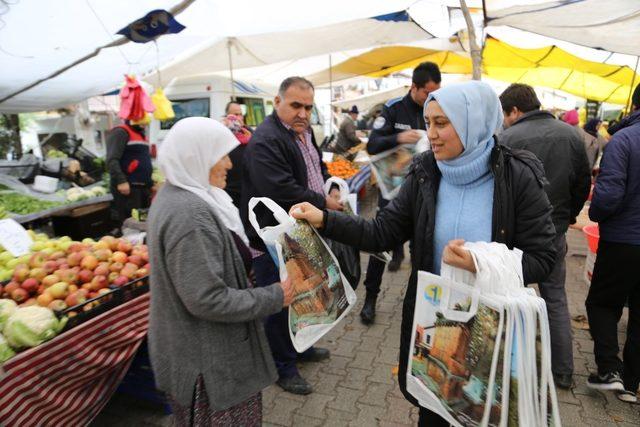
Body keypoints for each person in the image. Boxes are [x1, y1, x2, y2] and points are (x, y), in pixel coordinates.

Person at [291, 81, 557, 426]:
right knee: (432, 413)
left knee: (484, 414)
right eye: (428, 122)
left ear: (471, 122)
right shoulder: (424, 173)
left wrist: (481, 263)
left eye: (442, 123)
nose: (431, 133)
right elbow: (381, 232)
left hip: (491, 332)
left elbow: (544, 257)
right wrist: (325, 220)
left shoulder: (516, 176)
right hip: (435, 326)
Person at [147, 117, 294, 426]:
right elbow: (206, 299)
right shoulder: (190, 215)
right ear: (196, 157)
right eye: (221, 155)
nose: (229, 164)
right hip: (208, 365)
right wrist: (275, 296)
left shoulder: (180, 195)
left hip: (199, 352)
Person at [240, 76, 341, 395]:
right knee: (282, 302)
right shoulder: (266, 139)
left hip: (301, 230)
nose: (303, 113)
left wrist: (331, 184)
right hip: (273, 238)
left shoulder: (304, 131)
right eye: (296, 105)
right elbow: (279, 189)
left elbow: (316, 167)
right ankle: (283, 367)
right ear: (277, 102)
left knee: (303, 296)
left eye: (308, 107)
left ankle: (300, 348)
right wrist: (323, 202)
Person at [499, 83, 591, 389]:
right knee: (555, 299)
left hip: (515, 235)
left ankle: (512, 370)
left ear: (514, 110)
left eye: (505, 114)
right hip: (555, 232)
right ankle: (562, 371)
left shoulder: (507, 138)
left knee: (511, 297)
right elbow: (581, 185)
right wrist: (566, 217)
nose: (505, 119)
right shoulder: (572, 136)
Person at [360, 61, 441, 324]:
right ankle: (370, 299)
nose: (430, 98)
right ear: (414, 87)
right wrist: (398, 139)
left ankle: (420, 304)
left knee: (423, 251)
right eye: (426, 93)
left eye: (435, 92)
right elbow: (372, 145)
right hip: (392, 194)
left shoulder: (437, 109)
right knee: (379, 246)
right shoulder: (394, 109)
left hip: (424, 195)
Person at [586, 83, 640, 403]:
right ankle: (632, 384)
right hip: (627, 236)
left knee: (602, 303)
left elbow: (608, 197)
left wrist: (595, 212)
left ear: (633, 104)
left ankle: (610, 369)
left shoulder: (623, 140)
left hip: (623, 239)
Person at [105, 121, 153, 230]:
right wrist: (121, 181)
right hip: (129, 189)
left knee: (143, 223)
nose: (145, 121)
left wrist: (150, 183)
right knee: (130, 225)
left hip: (142, 189)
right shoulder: (120, 132)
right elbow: (112, 160)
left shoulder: (140, 134)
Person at [222, 101, 252, 208]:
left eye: (240, 114)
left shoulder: (249, 132)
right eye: (235, 114)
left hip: (248, 190)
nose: (238, 117)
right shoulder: (221, 133)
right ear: (227, 117)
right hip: (229, 192)